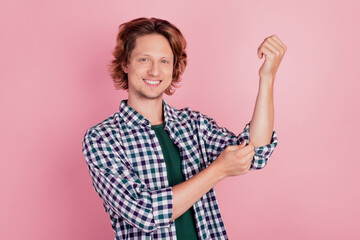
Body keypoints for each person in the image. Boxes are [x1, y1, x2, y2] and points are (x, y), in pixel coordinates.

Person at [82, 17, 286, 240]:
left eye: (164, 61)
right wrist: (218, 170)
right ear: (125, 64)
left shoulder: (193, 125)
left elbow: (254, 153)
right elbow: (146, 213)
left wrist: (267, 78)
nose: (154, 71)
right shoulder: (102, 139)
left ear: (173, 68)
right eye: (143, 59)